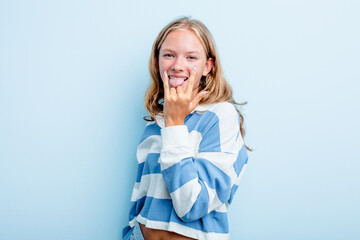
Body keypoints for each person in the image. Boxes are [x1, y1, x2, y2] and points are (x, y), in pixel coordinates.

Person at [122, 16, 250, 240]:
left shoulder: (220, 117)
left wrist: (175, 124)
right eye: (169, 55)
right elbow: (140, 196)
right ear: (157, 61)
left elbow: (192, 206)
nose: (177, 65)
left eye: (191, 57)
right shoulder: (156, 123)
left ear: (207, 66)